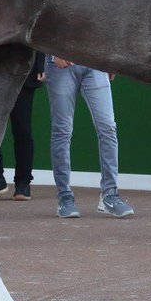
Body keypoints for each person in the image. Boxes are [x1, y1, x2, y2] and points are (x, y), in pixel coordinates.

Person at [44, 56, 133, 219]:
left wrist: (110, 59)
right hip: (61, 64)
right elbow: (40, 28)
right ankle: (65, 197)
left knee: (108, 126)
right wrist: (52, 53)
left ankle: (109, 194)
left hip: (94, 62)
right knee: (62, 131)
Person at [0, 51, 46, 201]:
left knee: (22, 129)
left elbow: (36, 30)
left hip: (23, 72)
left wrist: (40, 64)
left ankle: (23, 183)